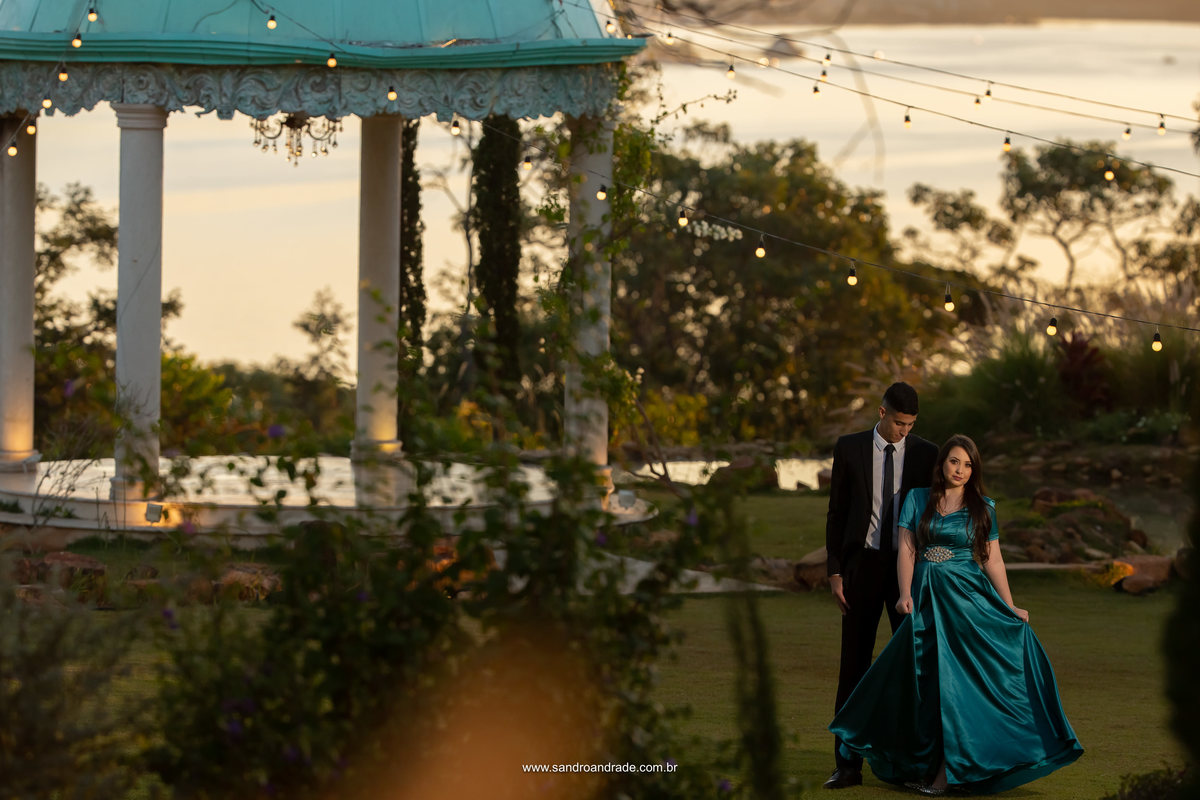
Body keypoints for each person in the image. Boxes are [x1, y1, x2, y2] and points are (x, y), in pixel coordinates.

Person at [829, 434, 1083, 795]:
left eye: (968, 464)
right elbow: (907, 549)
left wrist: (1009, 605)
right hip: (926, 600)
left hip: (967, 601)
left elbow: (993, 560)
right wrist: (905, 593)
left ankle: (947, 774)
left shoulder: (983, 507)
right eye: (954, 461)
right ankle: (917, 763)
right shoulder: (917, 498)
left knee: (958, 686)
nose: (960, 470)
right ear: (942, 464)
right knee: (925, 685)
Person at [823, 382, 939, 790]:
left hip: (909, 570)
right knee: (853, 665)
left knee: (913, 666)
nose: (904, 431)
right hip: (862, 568)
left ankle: (912, 763)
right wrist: (835, 571)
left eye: (911, 424)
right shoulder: (849, 447)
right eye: (899, 423)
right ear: (882, 412)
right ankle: (847, 764)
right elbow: (837, 512)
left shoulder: (927, 453)